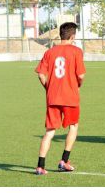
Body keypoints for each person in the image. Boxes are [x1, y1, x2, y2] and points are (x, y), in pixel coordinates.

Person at [35, 22, 86, 175]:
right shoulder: (76, 51)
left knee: (49, 132)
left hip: (53, 97)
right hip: (70, 96)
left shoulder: (50, 52)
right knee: (73, 127)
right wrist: (78, 85)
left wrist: (48, 88)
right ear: (73, 36)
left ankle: (40, 166)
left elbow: (40, 74)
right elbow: (81, 75)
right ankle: (64, 161)